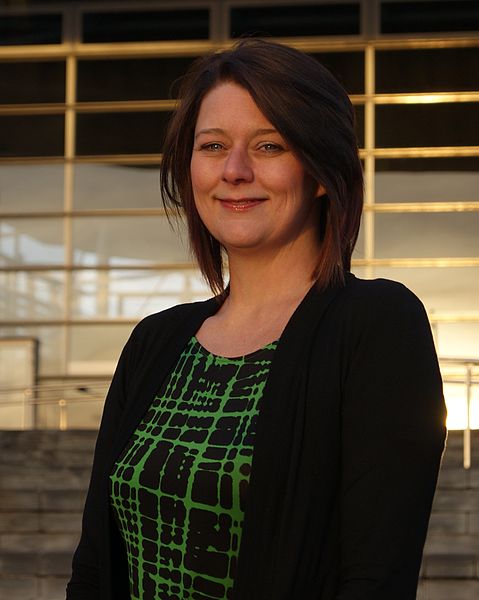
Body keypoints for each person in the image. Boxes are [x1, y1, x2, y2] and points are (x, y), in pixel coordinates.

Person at [66, 39, 446, 600]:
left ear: (321, 171)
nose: (235, 171)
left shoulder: (377, 326)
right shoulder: (156, 341)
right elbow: (95, 568)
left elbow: (375, 580)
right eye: (213, 145)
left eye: (269, 146)